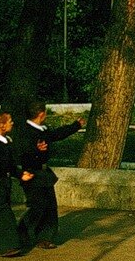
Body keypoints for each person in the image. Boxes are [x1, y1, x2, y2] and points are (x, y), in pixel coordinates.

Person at [14, 101, 85, 249]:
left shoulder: (41, 130)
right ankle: (20, 235)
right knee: (37, 207)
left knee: (50, 207)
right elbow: (22, 151)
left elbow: (56, 134)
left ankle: (45, 237)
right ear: (41, 114)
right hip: (32, 173)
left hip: (44, 174)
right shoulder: (25, 131)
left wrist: (75, 126)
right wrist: (36, 150)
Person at [0, 110, 33, 257]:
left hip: (3, 184)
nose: (12, 123)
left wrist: (21, 174)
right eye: (9, 121)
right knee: (4, 215)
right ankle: (9, 247)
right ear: (1, 125)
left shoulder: (4, 141)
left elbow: (8, 165)